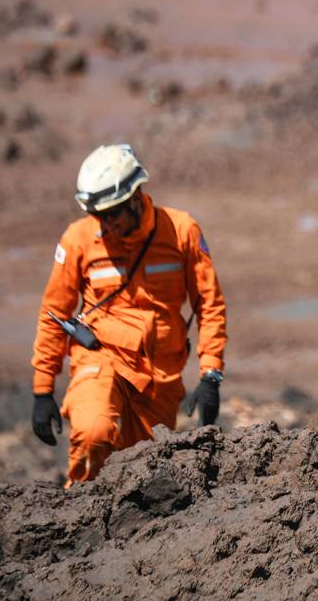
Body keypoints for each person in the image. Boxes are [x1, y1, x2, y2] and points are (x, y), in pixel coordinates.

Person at [30, 144, 227, 484]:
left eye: (113, 214)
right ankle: (79, 515)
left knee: (148, 474)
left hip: (160, 373)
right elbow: (54, 312)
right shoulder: (78, 239)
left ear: (136, 197)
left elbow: (209, 305)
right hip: (101, 356)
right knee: (93, 433)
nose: (106, 224)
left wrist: (210, 375)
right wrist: (42, 389)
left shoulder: (181, 231)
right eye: (99, 216)